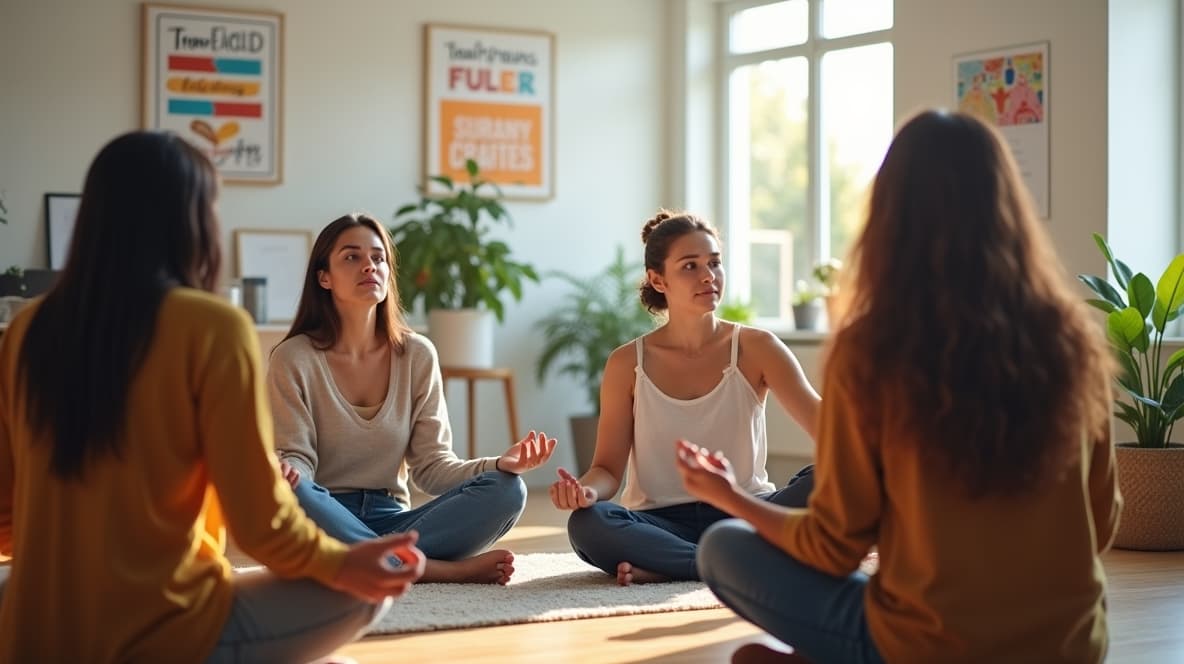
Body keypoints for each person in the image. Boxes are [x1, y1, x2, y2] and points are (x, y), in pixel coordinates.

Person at [679, 109, 1121, 664]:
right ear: (1009, 210)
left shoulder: (873, 350)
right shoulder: (1071, 339)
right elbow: (1100, 526)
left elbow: (833, 549)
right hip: (1070, 649)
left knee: (723, 546)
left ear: (889, 217)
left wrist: (729, 497)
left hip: (932, 649)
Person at [0, 131, 427, 662]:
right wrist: (347, 564)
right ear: (193, 221)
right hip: (161, 630)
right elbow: (262, 526)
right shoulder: (213, 327)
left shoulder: (24, 331)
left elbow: (7, 516)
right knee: (367, 590)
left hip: (35, 630)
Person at [268, 213, 557, 585]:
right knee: (291, 493)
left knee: (506, 489)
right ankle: (435, 570)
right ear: (324, 277)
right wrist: (289, 475)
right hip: (326, 512)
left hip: (397, 518)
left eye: (378, 257)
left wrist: (499, 463)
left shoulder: (417, 355)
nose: (369, 266)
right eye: (352, 257)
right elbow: (298, 459)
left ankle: (370, 560)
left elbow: (432, 468)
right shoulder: (293, 358)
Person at [549, 210, 821, 585]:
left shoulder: (757, 347)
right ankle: (730, 562)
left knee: (827, 479)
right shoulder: (627, 363)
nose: (708, 276)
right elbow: (608, 471)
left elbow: (828, 430)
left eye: (714, 263)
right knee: (589, 524)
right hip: (663, 523)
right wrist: (585, 490)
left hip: (746, 511)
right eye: (690, 266)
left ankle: (675, 567)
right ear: (657, 280)